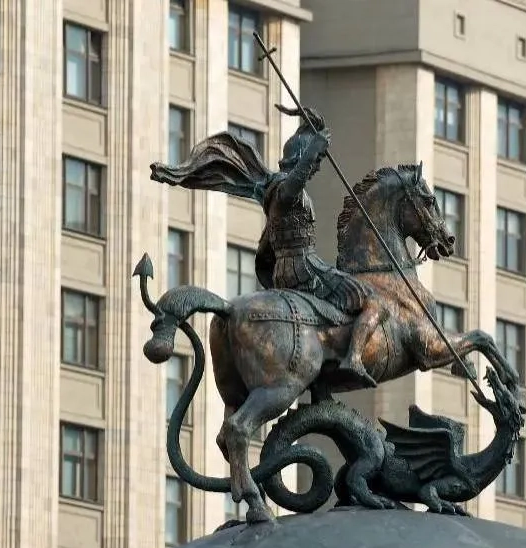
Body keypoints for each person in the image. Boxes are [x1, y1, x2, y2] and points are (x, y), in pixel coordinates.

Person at [151, 105, 384, 388]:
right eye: (316, 161)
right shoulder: (284, 188)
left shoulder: (272, 187)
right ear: (301, 158)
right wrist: (314, 150)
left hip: (288, 269)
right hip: (304, 269)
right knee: (371, 301)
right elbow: (294, 184)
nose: (317, 167)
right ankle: (354, 359)